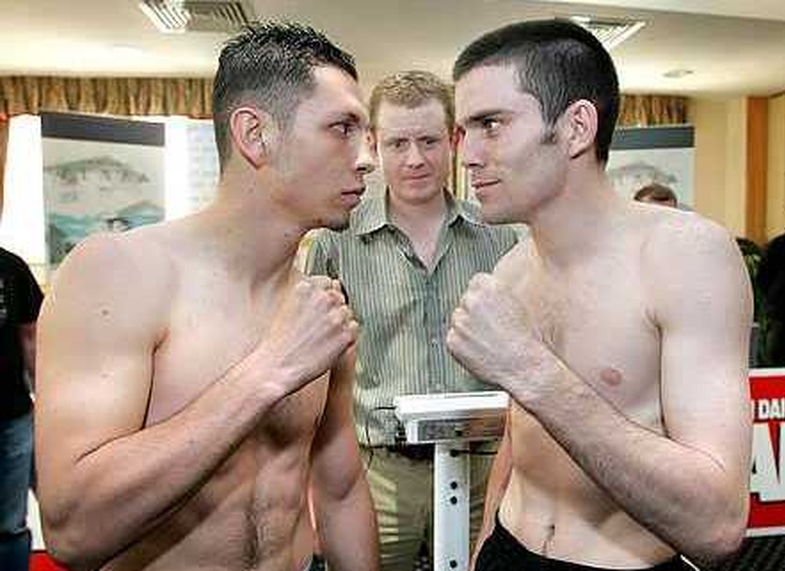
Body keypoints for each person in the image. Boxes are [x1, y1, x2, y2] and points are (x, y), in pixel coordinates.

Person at [35, 22, 379, 571]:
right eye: (342, 128)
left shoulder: (319, 309)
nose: (367, 158)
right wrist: (268, 371)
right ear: (254, 135)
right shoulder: (119, 274)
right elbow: (73, 530)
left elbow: (338, 494)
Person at [447, 19, 752, 571]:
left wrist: (530, 368)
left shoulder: (685, 257)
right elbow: (524, 441)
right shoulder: (512, 268)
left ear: (576, 127)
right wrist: (484, 545)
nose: (467, 154)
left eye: (490, 124)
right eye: (464, 130)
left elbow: (718, 527)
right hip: (508, 550)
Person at [306, 70, 517, 570]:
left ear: (454, 140)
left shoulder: (502, 239)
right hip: (375, 470)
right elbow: (310, 377)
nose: (415, 159)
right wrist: (310, 494)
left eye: (428, 141)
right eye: (398, 143)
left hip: (485, 467)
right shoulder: (335, 241)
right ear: (374, 146)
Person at [0, 247, 43, 571]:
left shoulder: (10, 267)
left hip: (11, 416)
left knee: (10, 523)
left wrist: (46, 399)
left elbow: (30, 338)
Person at [757, 199, 785, 366]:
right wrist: (775, 299)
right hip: (781, 317)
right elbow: (763, 277)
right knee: (777, 361)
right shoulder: (776, 245)